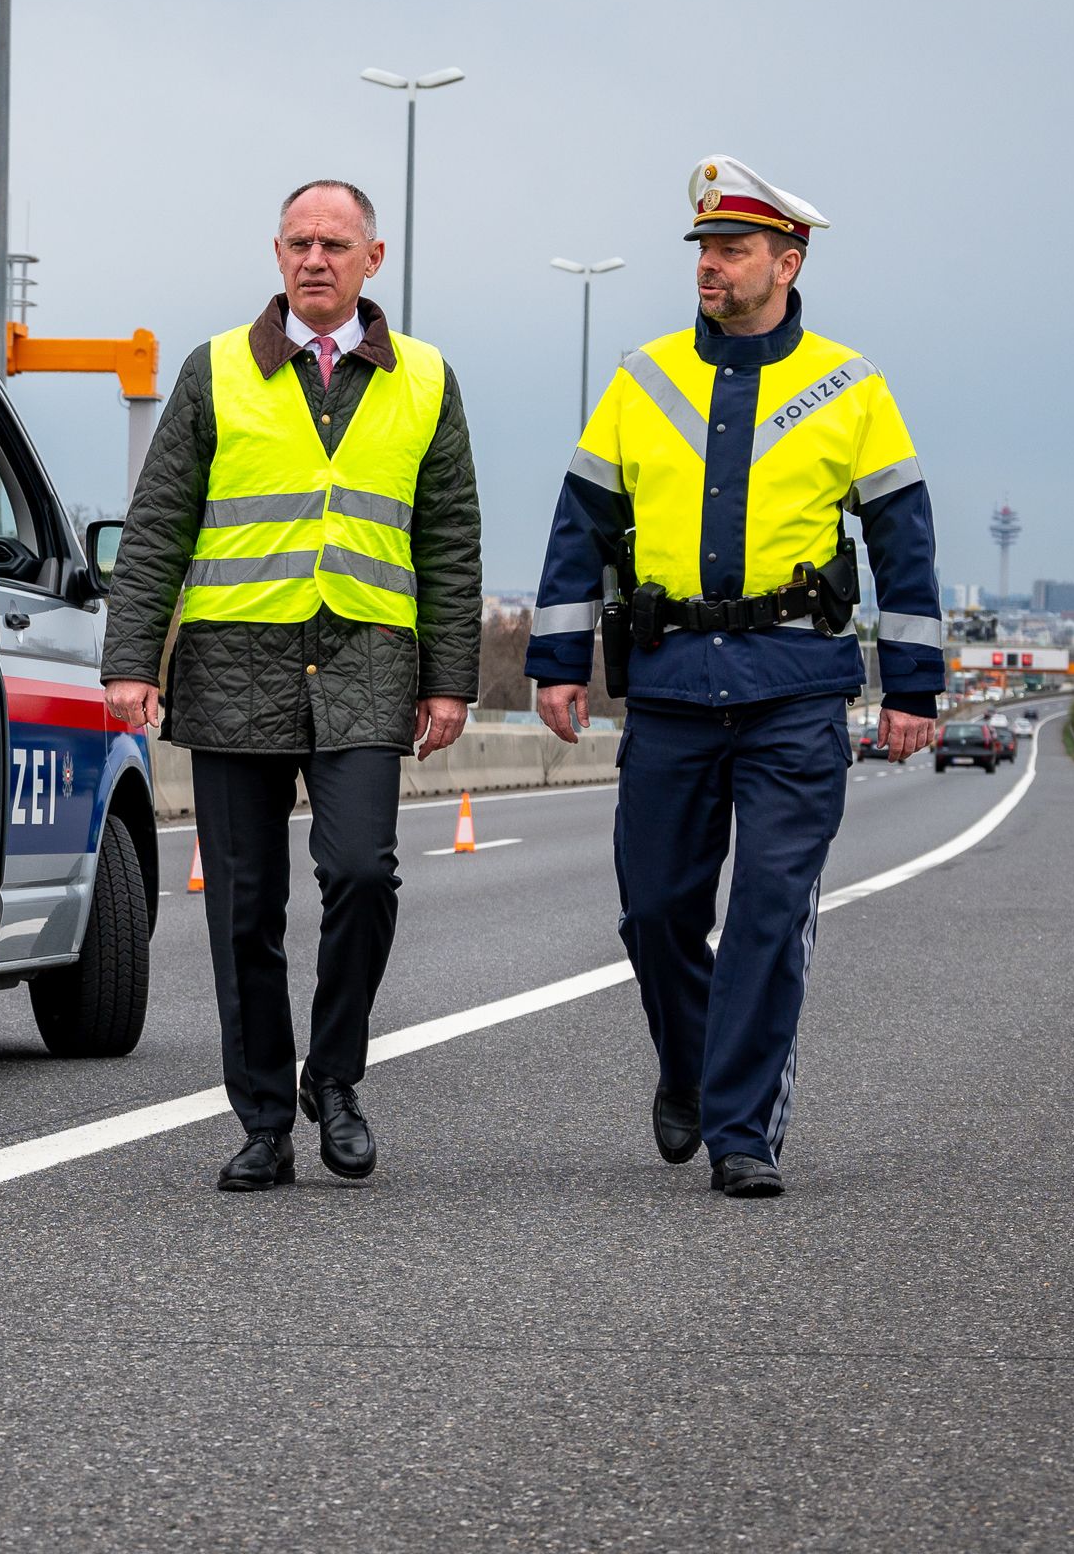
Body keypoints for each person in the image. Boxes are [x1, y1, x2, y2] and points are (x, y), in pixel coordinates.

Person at [528, 156, 943, 1198]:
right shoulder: (642, 379)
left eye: (731, 250)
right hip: (669, 687)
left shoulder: (850, 387)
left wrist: (912, 688)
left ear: (785, 262)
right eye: (704, 249)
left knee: (768, 903)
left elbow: (903, 542)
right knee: (655, 910)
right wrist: (553, 662)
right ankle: (691, 1060)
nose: (709, 266)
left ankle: (741, 1131)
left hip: (793, 689)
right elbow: (580, 523)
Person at [105, 179, 481, 1191]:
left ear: (373, 258)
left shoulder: (425, 379)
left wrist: (448, 679)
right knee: (242, 906)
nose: (314, 259)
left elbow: (447, 539)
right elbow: (155, 530)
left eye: (334, 244)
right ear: (276, 255)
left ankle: (338, 1079)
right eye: (297, 243)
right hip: (234, 667)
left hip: (363, 663)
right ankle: (264, 1118)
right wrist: (131, 661)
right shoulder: (214, 370)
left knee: (361, 871)